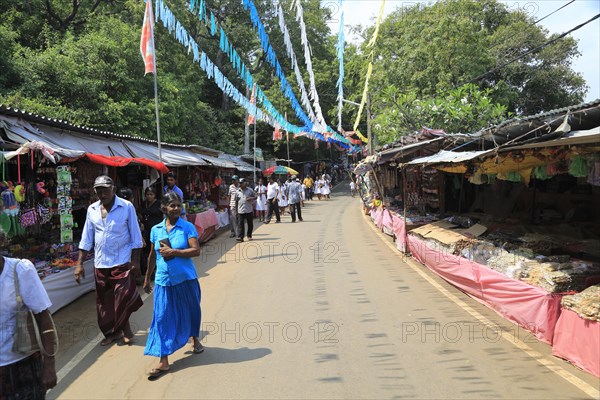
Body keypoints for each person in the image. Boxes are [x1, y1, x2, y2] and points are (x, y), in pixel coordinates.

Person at [75, 175, 144, 346]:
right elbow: (86, 238)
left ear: (113, 189)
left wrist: (135, 261)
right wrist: (79, 263)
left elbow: (136, 236)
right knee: (104, 303)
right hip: (100, 263)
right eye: (99, 190)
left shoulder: (126, 207)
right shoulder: (92, 209)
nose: (102, 194)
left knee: (122, 297)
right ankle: (113, 333)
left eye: (105, 190)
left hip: (121, 261)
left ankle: (126, 330)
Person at [143, 192, 202, 380]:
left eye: (178, 205)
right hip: (163, 280)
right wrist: (147, 278)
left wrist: (174, 251)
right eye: (172, 205)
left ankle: (194, 338)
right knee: (161, 318)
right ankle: (163, 360)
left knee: (191, 311)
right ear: (164, 208)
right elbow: (152, 255)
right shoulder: (156, 230)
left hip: (185, 279)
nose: (176, 208)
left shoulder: (187, 227)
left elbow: (196, 250)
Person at [0, 231, 57, 399]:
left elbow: (44, 318)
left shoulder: (20, 270)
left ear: (2, 240)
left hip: (24, 366)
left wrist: (49, 365)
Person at [140, 187, 163, 277]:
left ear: (154, 195)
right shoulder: (144, 204)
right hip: (146, 230)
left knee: (156, 249)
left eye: (151, 194)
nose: (149, 196)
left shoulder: (159, 204)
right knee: (148, 250)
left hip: (157, 230)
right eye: (147, 195)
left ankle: (158, 268)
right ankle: (150, 269)